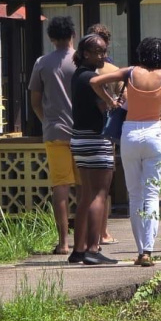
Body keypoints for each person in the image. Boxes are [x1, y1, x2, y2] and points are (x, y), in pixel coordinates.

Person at [91, 37, 161, 266]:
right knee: (151, 195)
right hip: (153, 133)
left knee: (135, 195)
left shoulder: (131, 72)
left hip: (130, 133)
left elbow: (95, 81)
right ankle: (148, 251)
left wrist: (111, 101)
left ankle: (140, 249)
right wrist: (158, 103)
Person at [28, 15, 79, 256]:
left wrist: (46, 121)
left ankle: (63, 242)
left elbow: (35, 101)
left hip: (54, 131)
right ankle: (88, 239)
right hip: (82, 132)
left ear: (51, 38)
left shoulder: (42, 63)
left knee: (60, 186)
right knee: (86, 186)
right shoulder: (82, 61)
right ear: (73, 35)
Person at [67, 33, 118, 265]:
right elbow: (102, 107)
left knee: (86, 195)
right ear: (85, 53)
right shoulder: (92, 78)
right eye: (98, 52)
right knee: (100, 193)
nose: (103, 56)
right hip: (96, 139)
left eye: (104, 51)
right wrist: (113, 104)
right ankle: (93, 249)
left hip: (79, 138)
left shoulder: (78, 75)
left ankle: (78, 250)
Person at [86, 22, 120, 245]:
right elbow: (121, 102)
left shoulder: (80, 70)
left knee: (86, 188)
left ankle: (87, 236)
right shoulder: (115, 71)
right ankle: (103, 232)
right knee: (103, 188)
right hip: (106, 133)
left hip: (81, 131)